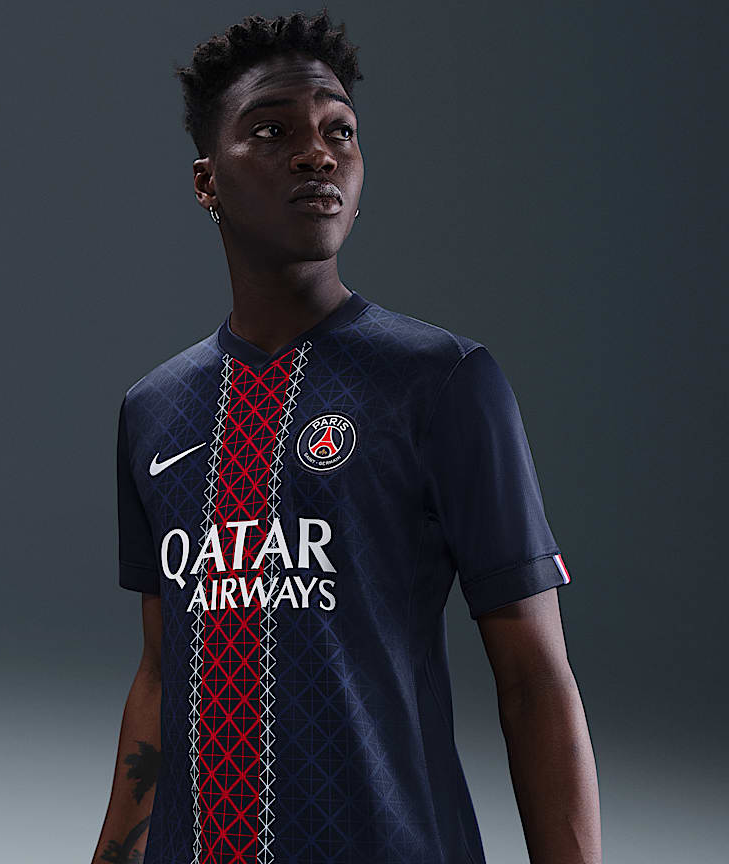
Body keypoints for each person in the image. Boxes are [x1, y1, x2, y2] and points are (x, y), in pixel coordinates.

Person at [91, 10, 601, 864]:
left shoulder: (443, 381)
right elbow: (158, 675)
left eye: (340, 132)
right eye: (273, 131)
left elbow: (534, 679)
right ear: (207, 182)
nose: (318, 154)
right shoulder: (154, 410)